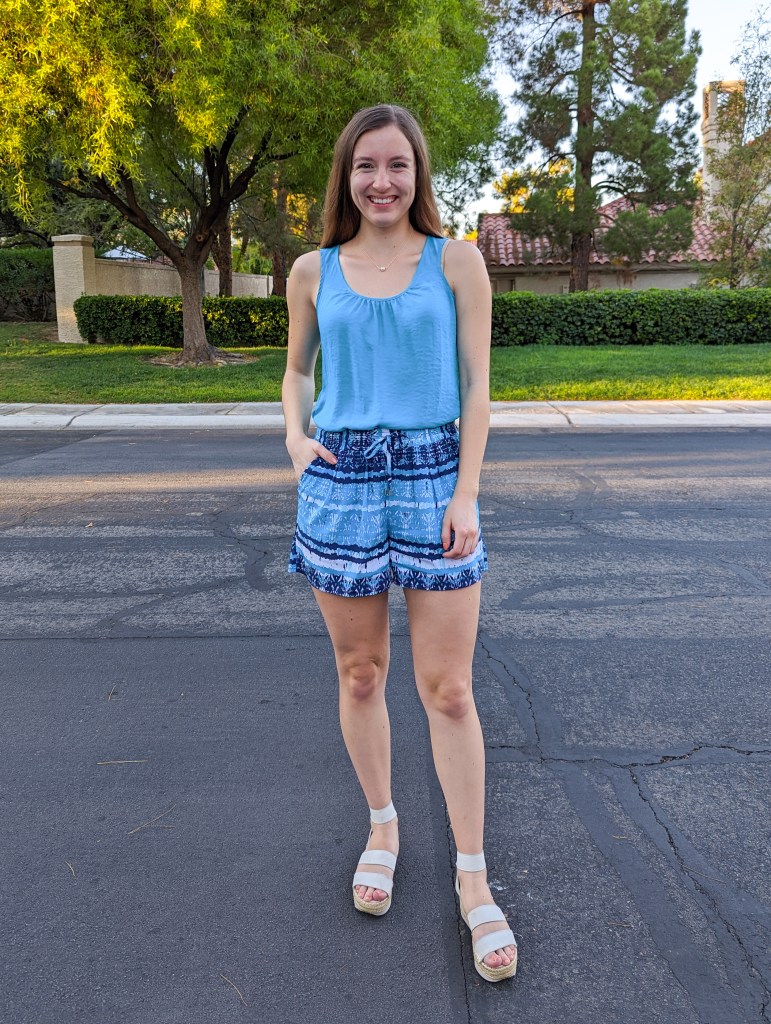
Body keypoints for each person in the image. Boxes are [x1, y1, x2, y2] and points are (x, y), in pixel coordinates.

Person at [281, 104, 517, 983]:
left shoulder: (456, 263)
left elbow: (478, 385)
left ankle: (472, 877)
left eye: (398, 166)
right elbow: (297, 369)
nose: (382, 182)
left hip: (433, 479)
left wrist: (465, 491)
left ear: (419, 175)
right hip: (340, 482)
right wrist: (298, 441)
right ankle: (382, 825)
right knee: (361, 673)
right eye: (365, 167)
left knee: (448, 689)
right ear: (345, 177)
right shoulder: (314, 269)